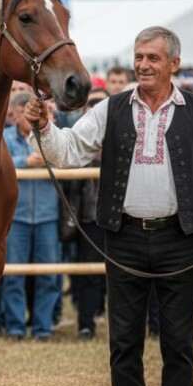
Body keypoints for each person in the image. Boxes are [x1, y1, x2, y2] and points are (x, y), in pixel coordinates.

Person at [24, 26, 193, 386]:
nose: (143, 65)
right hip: (123, 237)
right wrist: (43, 126)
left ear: (174, 63)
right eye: (139, 57)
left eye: (153, 58)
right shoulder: (112, 107)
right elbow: (69, 151)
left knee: (179, 345)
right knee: (123, 345)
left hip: (179, 238)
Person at [1, 91, 61, 341]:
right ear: (15, 114)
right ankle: (15, 327)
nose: (30, 117)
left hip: (47, 216)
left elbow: (68, 158)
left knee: (49, 275)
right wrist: (24, 161)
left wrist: (48, 160)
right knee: (13, 275)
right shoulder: (4, 138)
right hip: (16, 217)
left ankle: (42, 328)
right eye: (25, 112)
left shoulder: (51, 136)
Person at [62, 87, 109, 340]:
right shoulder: (79, 138)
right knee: (88, 272)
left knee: (124, 273)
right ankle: (86, 324)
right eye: (92, 107)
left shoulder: (122, 136)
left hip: (121, 217)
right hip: (87, 216)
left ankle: (145, 325)